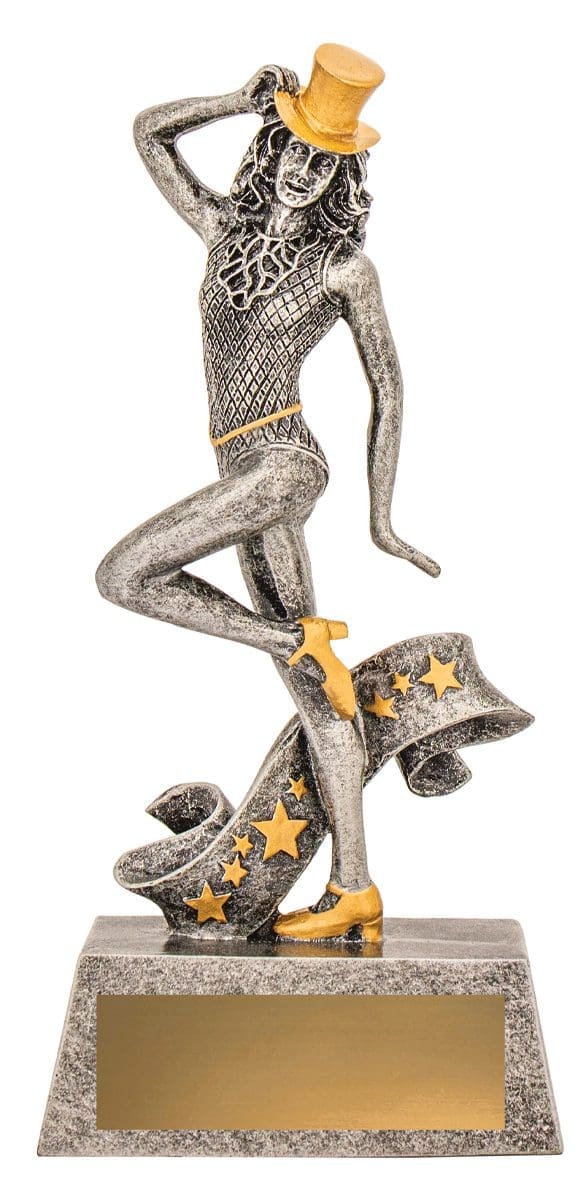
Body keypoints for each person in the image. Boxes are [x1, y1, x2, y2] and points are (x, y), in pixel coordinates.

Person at [96, 45, 440, 942]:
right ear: (270, 149)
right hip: (239, 469)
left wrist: (381, 519)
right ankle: (355, 889)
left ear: (340, 179)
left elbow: (389, 387)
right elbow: (148, 134)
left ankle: (293, 637)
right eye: (292, 149)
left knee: (123, 576)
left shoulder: (343, 270)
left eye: (323, 162)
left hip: (284, 463)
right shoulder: (222, 229)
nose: (301, 170)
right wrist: (232, 97)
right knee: (315, 693)